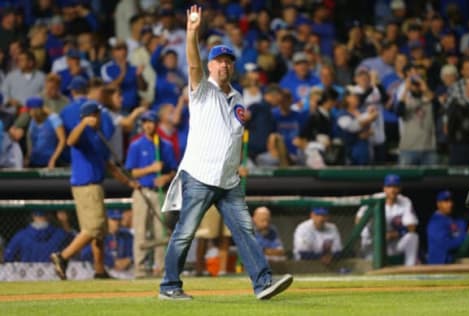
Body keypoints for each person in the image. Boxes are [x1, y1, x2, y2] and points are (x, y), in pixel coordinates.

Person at [158, 6, 292, 301]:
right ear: (210, 66)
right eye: (218, 61)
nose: (223, 66)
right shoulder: (202, 90)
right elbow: (192, 66)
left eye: (228, 61)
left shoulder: (238, 97)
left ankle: (262, 284)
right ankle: (169, 287)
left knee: (245, 231)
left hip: (228, 180)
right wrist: (192, 32)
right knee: (185, 233)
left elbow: (233, 137)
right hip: (200, 175)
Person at [50, 101, 138, 280]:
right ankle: (63, 257)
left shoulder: (99, 136)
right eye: (97, 115)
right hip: (86, 186)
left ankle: (99, 270)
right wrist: (83, 123)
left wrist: (128, 183)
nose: (99, 118)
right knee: (93, 228)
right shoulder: (82, 132)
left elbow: (109, 166)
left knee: (100, 232)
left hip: (95, 186)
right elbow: (70, 141)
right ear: (91, 116)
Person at [125, 110, 177, 278]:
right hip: (142, 191)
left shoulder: (166, 145)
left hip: (160, 192)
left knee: (161, 231)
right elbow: (131, 173)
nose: (148, 125)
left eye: (151, 122)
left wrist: (165, 178)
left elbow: (174, 171)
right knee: (140, 230)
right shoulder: (136, 145)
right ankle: (140, 269)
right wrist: (151, 169)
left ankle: (161, 268)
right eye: (145, 122)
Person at [355, 174, 419, 266]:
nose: (392, 190)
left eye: (395, 186)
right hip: (373, 244)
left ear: (400, 189)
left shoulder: (405, 201)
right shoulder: (374, 199)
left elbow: (412, 227)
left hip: (393, 243)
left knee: (413, 237)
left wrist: (395, 234)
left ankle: (409, 268)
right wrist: (377, 235)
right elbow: (358, 220)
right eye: (389, 186)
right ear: (384, 188)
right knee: (371, 268)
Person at [4, 211, 71, 263]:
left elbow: (7, 258)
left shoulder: (21, 236)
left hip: (26, 277)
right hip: (53, 277)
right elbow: (74, 245)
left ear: (33, 215)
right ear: (49, 215)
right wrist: (64, 222)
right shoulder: (60, 234)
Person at [24, 96, 66, 169]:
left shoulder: (53, 118)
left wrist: (53, 159)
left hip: (50, 161)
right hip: (34, 161)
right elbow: (32, 141)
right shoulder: (33, 120)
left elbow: (62, 140)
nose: (28, 112)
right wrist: (28, 157)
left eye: (29, 110)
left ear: (35, 110)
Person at [427, 190, 466, 264]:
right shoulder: (435, 222)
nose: (450, 204)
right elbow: (446, 244)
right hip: (439, 265)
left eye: (450, 201)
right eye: (446, 201)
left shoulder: (456, 220)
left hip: (452, 262)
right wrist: (464, 236)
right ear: (438, 204)